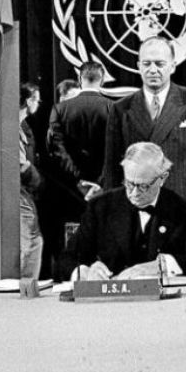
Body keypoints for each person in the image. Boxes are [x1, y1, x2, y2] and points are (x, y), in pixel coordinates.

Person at [105, 36, 186, 236]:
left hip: (181, 208)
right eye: (147, 64)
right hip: (135, 210)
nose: (153, 69)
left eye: (160, 64)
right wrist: (112, 216)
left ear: (173, 66)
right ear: (138, 66)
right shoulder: (121, 109)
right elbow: (112, 167)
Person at [75, 142, 186, 277]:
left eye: (143, 186)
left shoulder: (183, 209)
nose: (135, 193)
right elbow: (66, 259)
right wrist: (85, 271)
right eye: (129, 184)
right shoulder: (100, 207)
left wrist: (162, 266)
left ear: (162, 178)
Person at [44, 62, 113, 278]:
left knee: (71, 246)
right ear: (102, 79)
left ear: (80, 78)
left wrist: (78, 181)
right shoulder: (113, 108)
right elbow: (116, 149)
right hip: (104, 192)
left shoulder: (60, 109)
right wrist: (100, 182)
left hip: (70, 192)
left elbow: (56, 150)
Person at [19, 82, 45, 296]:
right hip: (21, 194)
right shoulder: (16, 127)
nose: (39, 104)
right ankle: (27, 290)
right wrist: (37, 179)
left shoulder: (23, 126)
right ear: (28, 101)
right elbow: (21, 165)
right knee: (32, 241)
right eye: (37, 99)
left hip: (25, 193)